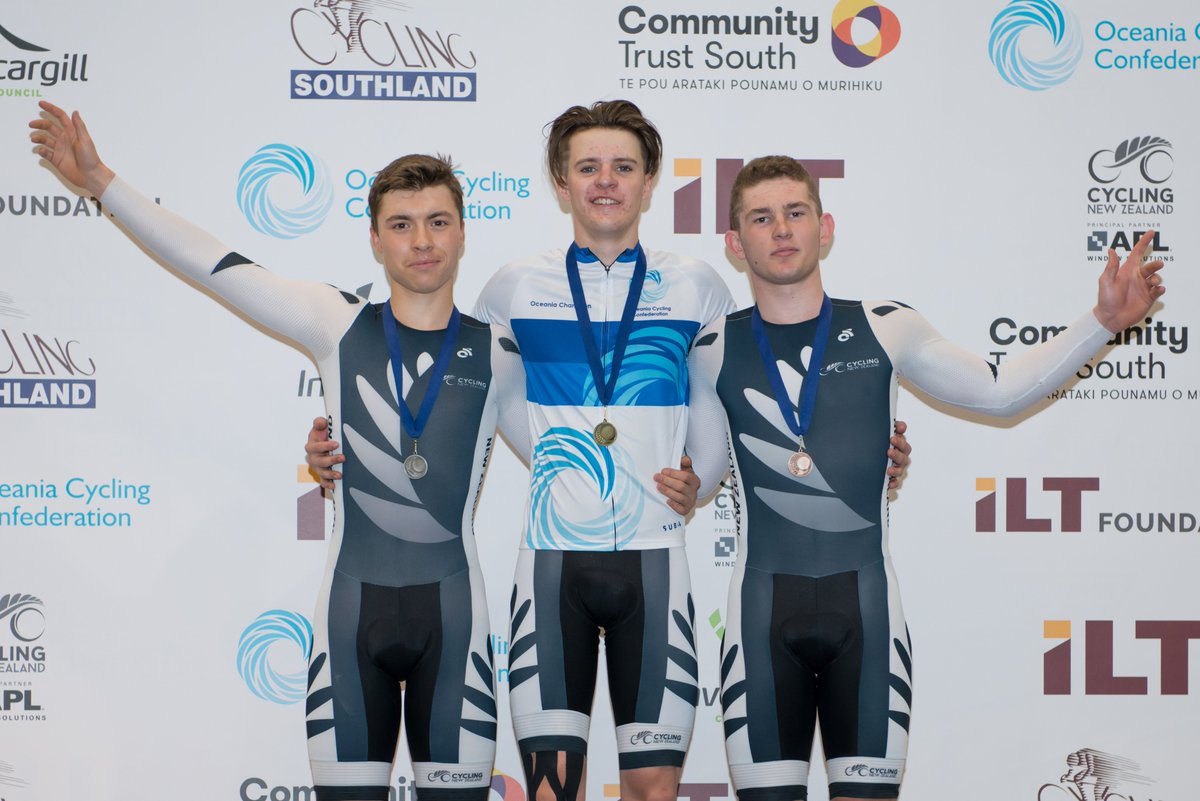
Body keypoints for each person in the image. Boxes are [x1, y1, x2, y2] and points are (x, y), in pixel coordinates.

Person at [305, 103, 910, 801]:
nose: (605, 182)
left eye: (623, 167)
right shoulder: (512, 287)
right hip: (552, 564)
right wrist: (335, 444)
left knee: (651, 789)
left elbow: (732, 399)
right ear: (562, 184)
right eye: (587, 167)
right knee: (551, 790)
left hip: (656, 565)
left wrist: (730, 473)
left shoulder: (698, 285)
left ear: (649, 181)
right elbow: (451, 389)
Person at [28, 101, 529, 801]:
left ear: (463, 234)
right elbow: (217, 266)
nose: (422, 240)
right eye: (402, 224)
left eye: (438, 221)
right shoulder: (335, 320)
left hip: (459, 625)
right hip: (349, 622)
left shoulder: (500, 353)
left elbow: (571, 468)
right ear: (376, 242)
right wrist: (105, 183)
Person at [684, 156, 1166, 801]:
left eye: (795, 212)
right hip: (758, 616)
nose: (781, 230)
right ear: (734, 244)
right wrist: (678, 485)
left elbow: (998, 393)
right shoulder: (709, 346)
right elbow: (705, 467)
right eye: (761, 218)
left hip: (869, 613)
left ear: (825, 226)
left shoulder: (887, 325)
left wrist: (1101, 324)